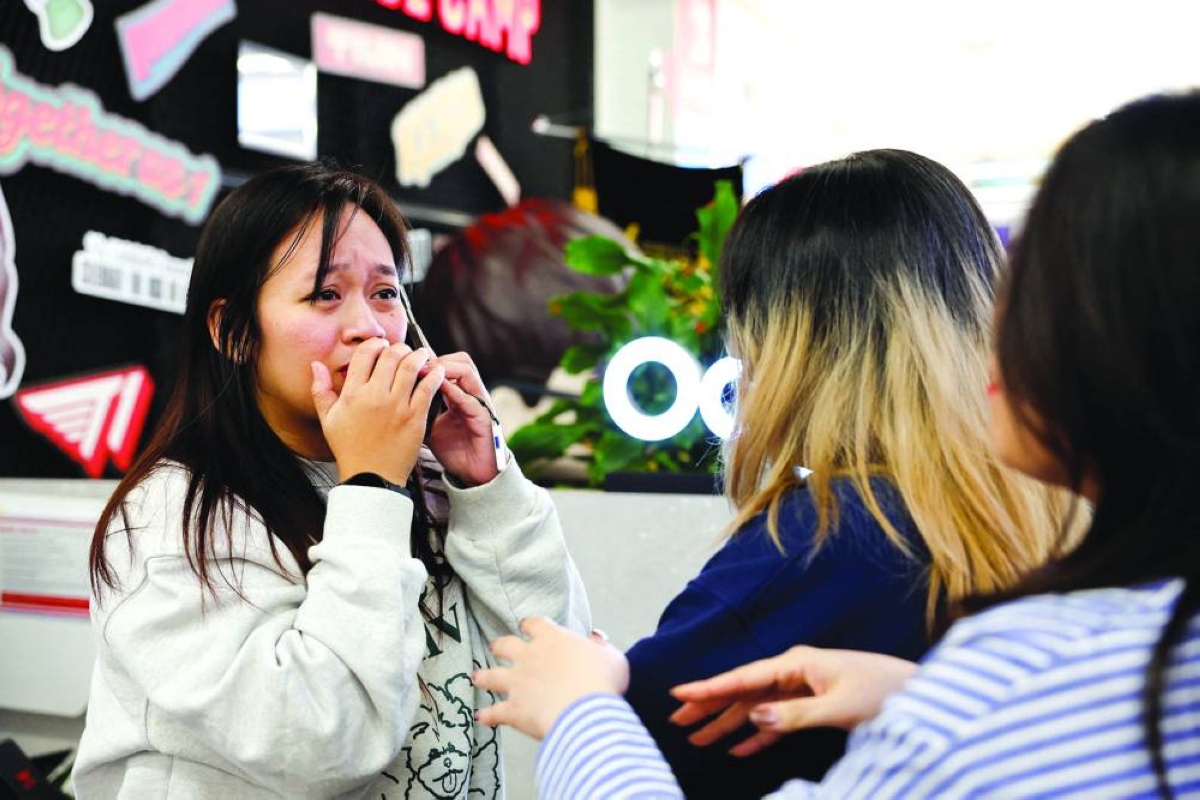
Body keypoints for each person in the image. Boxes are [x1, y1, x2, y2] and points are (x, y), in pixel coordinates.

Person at [476, 90, 1200, 798]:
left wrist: (581, 710)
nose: (1004, 332)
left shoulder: (826, 533)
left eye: (1041, 291)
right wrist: (922, 701)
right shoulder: (1093, 614)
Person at [72, 163, 591, 799]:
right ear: (231, 331)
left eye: (385, 293)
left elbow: (560, 661)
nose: (368, 328)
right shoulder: (169, 516)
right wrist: (370, 484)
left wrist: (486, 484)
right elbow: (321, 743)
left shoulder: (432, 480)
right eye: (325, 294)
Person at [583, 150, 1075, 798]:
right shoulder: (1048, 518)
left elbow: (631, 740)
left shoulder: (827, 535)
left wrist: (578, 693)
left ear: (790, 337)